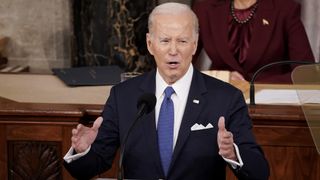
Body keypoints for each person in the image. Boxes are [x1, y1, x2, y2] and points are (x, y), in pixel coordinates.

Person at [63, 2, 269, 179]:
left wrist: (233, 154)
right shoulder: (123, 96)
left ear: (195, 45)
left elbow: (260, 172)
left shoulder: (225, 98)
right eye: (165, 40)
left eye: (182, 41)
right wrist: (83, 151)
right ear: (150, 44)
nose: (173, 50)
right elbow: (91, 167)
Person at [192, 0, 315, 83]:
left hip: (270, 104)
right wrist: (222, 78)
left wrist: (252, 85)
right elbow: (178, 67)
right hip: (219, 100)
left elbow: (306, 74)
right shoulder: (204, 9)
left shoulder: (285, 9)